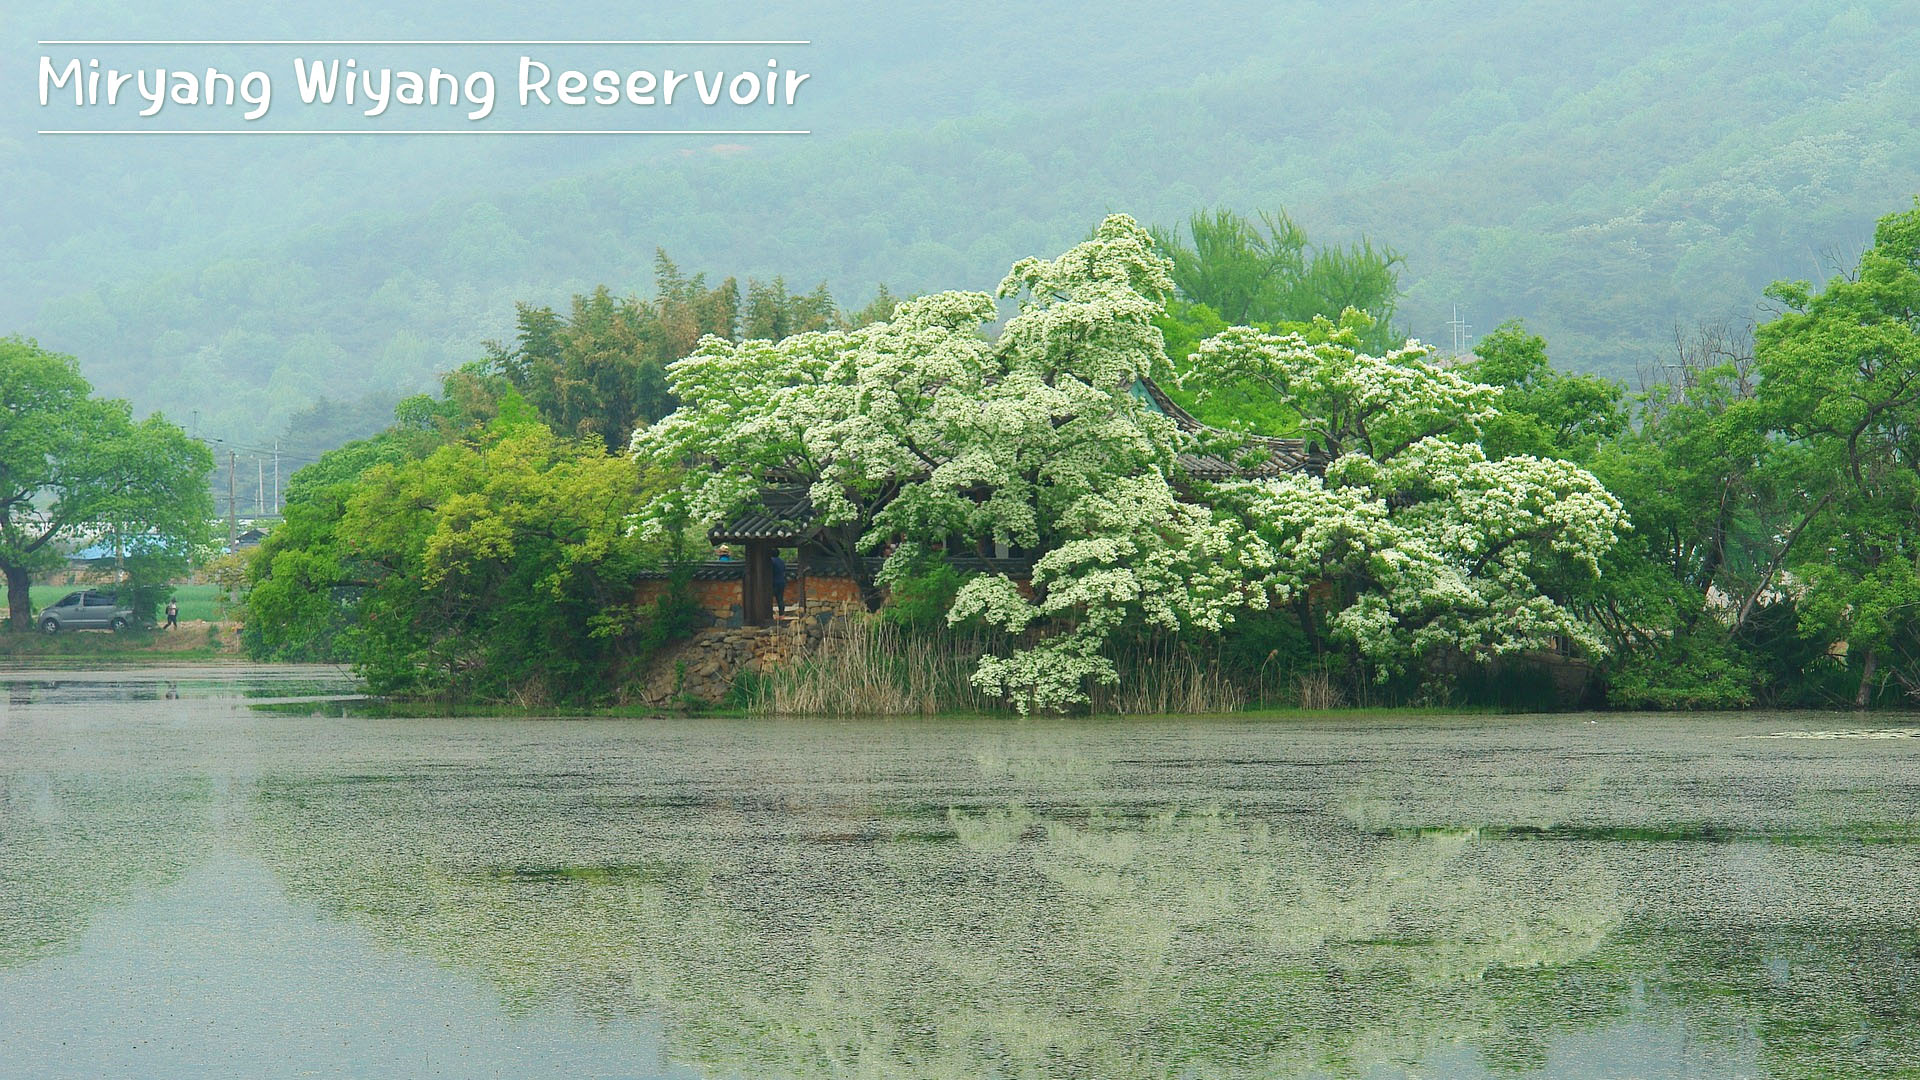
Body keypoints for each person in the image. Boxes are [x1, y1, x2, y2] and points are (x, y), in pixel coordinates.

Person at [770, 551, 788, 618]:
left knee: (768, 598)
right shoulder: (782, 561)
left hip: (773, 582)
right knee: (780, 599)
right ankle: (782, 614)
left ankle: (769, 614)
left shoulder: (771, 561)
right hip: (781, 582)